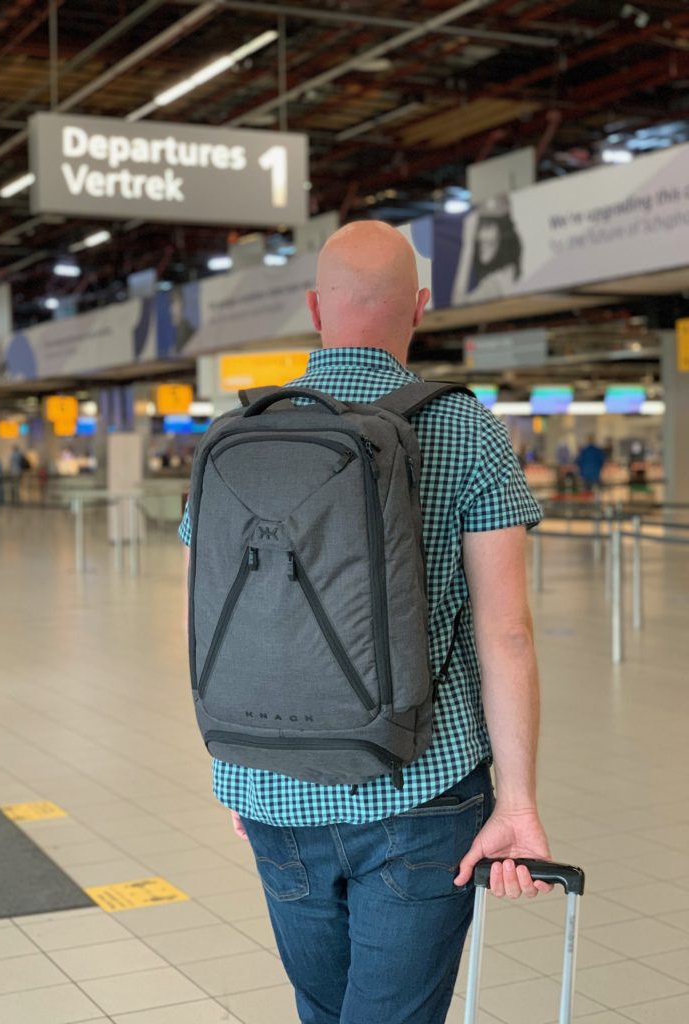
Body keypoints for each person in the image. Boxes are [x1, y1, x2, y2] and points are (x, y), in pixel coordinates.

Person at [179, 221, 551, 1024]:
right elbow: (508, 634)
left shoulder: (235, 432)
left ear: (316, 307)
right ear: (420, 306)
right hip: (420, 791)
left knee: (323, 1011)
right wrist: (516, 804)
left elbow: (209, 610)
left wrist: (247, 762)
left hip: (271, 785)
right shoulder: (467, 428)